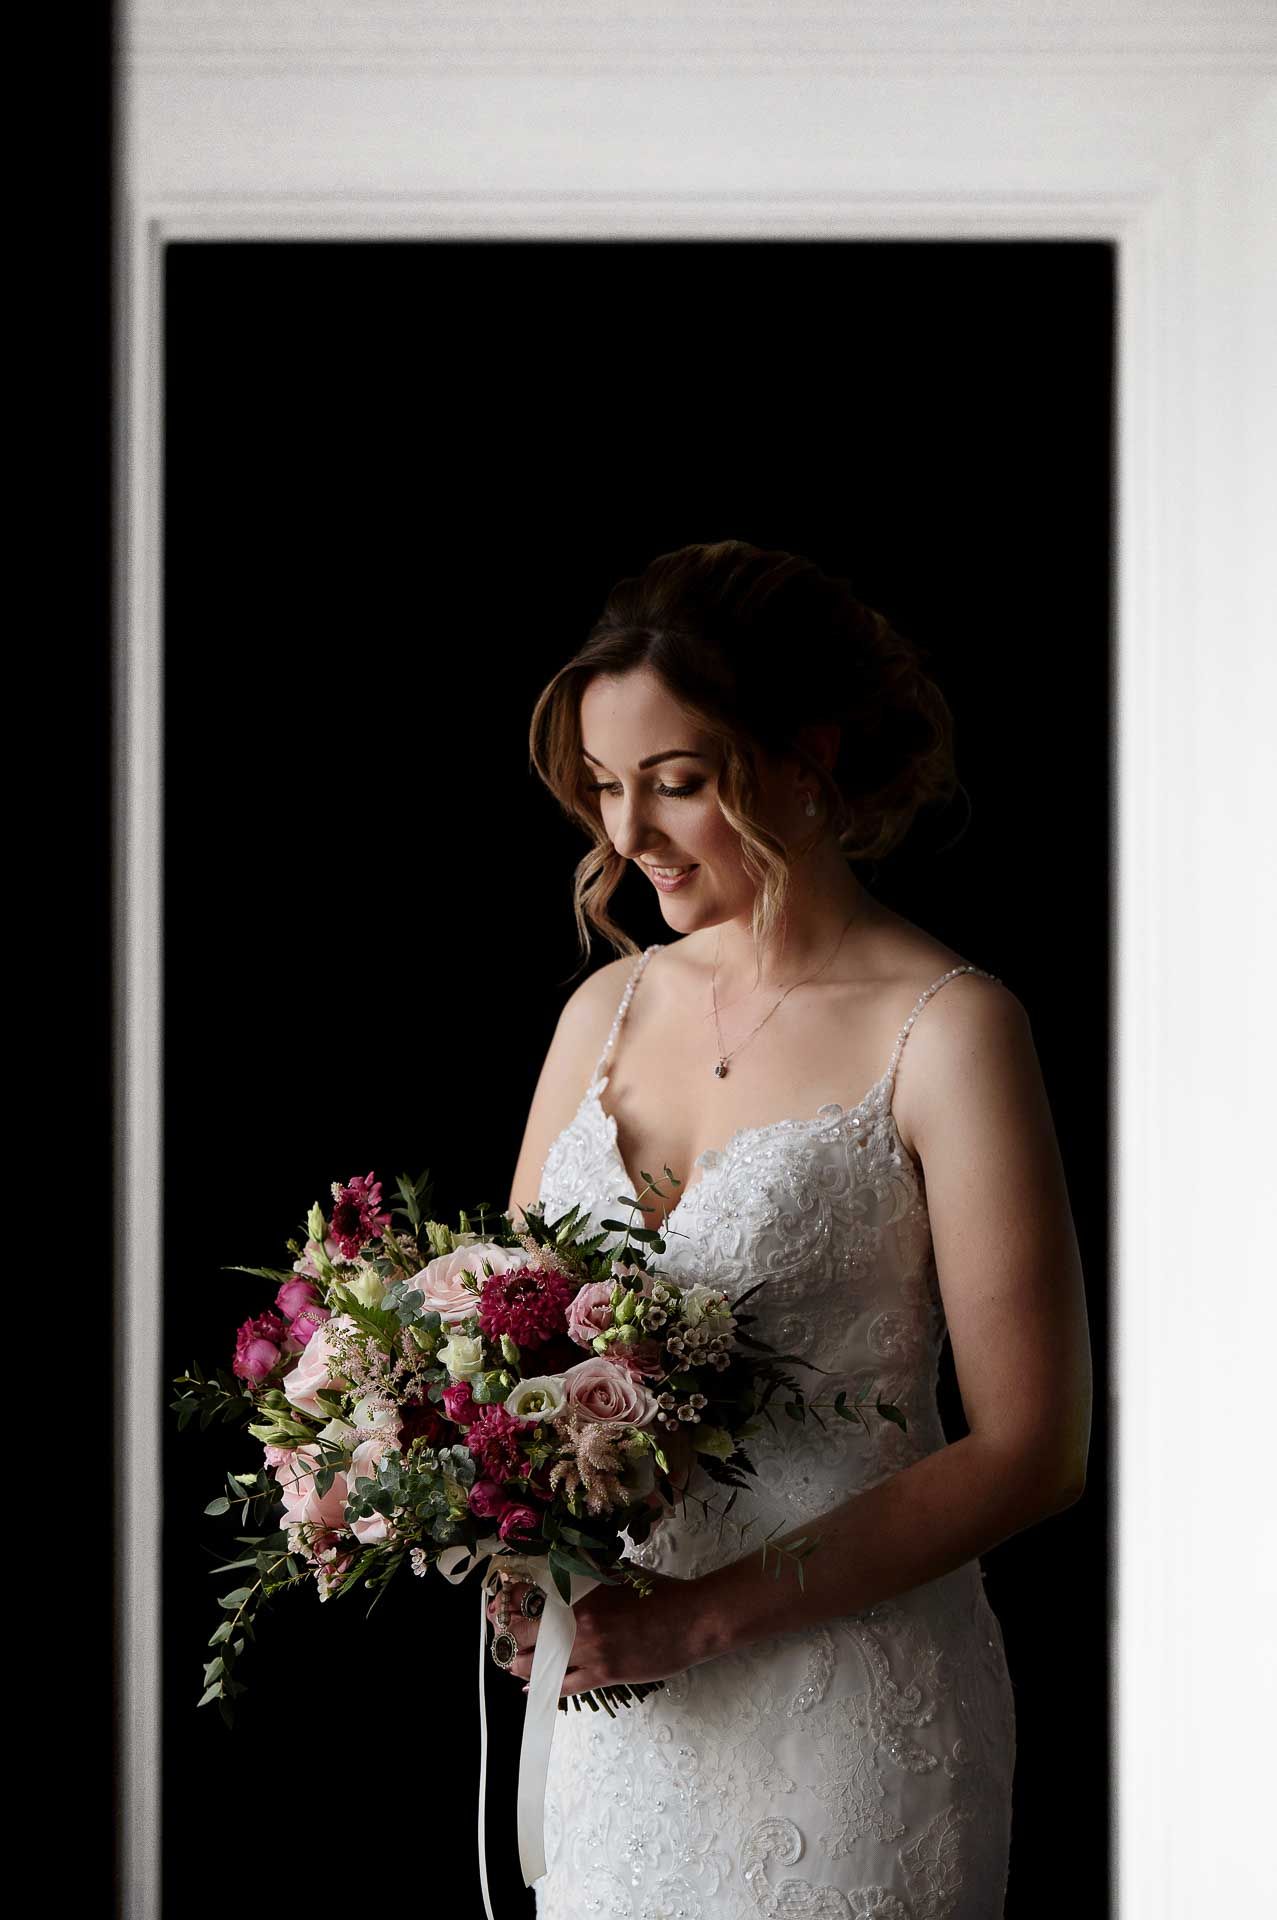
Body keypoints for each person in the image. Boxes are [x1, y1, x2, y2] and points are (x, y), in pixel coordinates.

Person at [493, 538, 1092, 1917]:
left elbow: (1030, 1448)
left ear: (807, 757)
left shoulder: (944, 1028)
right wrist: (491, 1526)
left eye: (677, 785)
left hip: (844, 1706)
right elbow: (505, 1341)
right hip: (618, 1713)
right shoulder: (604, 1013)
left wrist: (699, 1619)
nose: (627, 837)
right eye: (603, 788)